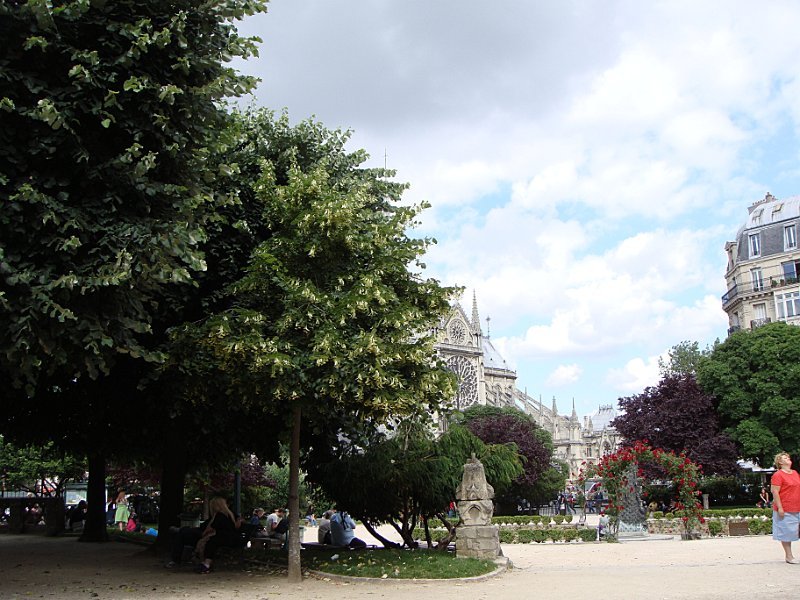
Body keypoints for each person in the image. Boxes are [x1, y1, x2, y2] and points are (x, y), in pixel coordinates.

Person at [166, 496, 241, 574]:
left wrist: (203, 533)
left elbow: (210, 529)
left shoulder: (220, 516)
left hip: (211, 535)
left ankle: (181, 534)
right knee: (182, 533)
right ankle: (182, 531)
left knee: (183, 533)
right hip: (212, 535)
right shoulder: (228, 515)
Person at [770, 452, 800, 564]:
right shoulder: (778, 475)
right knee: (786, 532)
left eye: (788, 457)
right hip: (786, 507)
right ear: (780, 462)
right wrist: (780, 507)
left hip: (797, 506)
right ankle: (789, 556)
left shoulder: (795, 473)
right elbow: (775, 492)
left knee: (796, 531)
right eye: (784, 458)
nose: (788, 458)